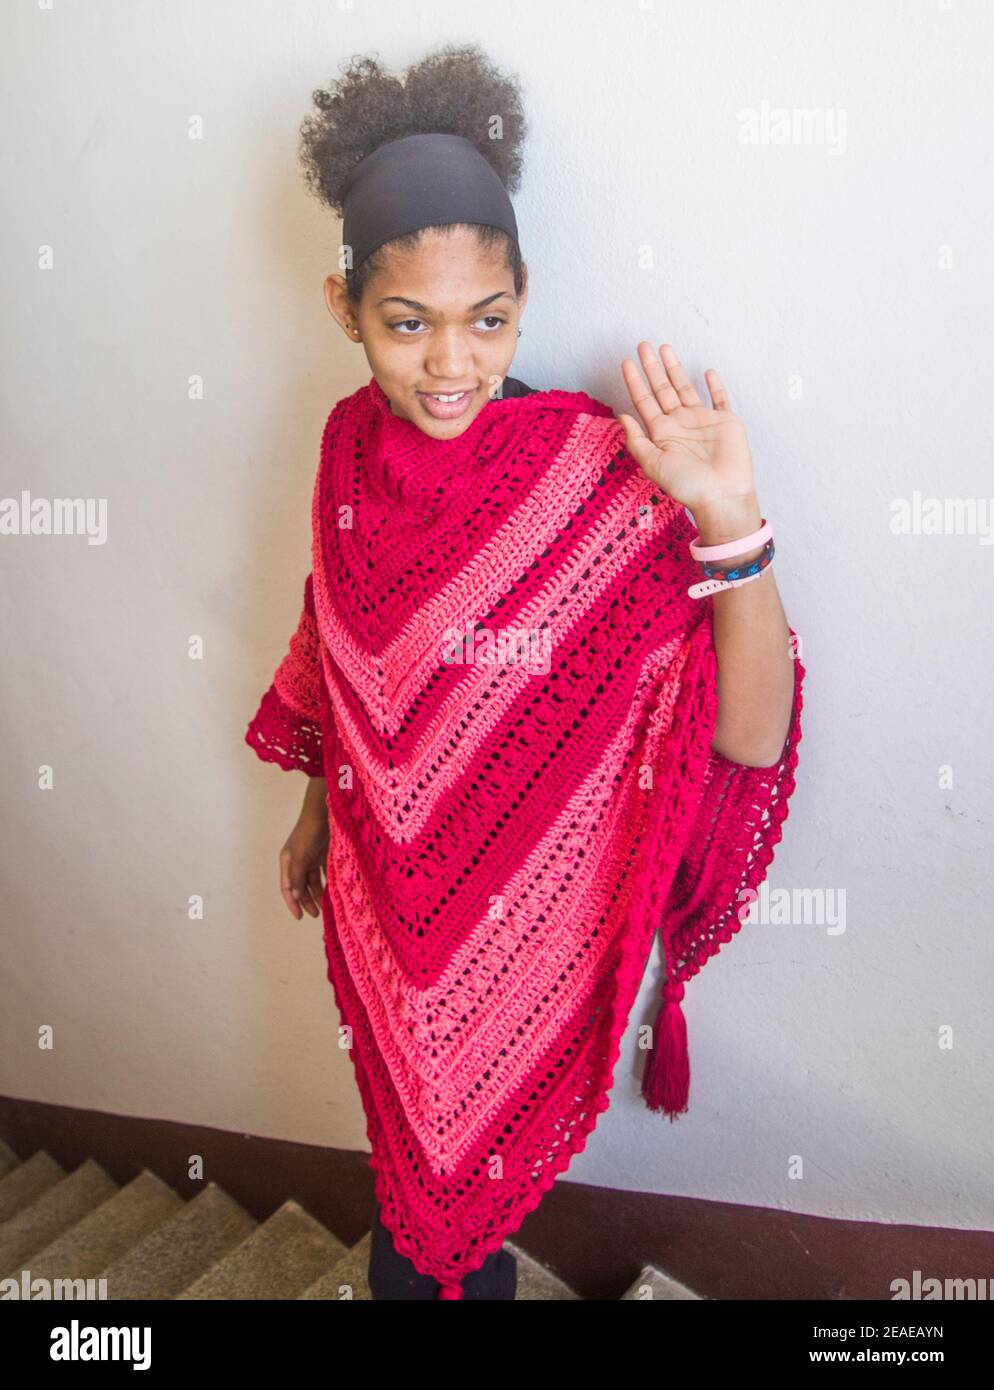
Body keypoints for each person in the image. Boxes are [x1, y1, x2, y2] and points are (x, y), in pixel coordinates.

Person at [246, 42, 806, 1301]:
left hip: (520, 926)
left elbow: (749, 735)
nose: (452, 364)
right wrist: (315, 803)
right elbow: (346, 644)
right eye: (408, 323)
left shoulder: (585, 482)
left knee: (449, 1212)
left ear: (524, 299)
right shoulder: (344, 450)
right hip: (382, 901)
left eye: (486, 319)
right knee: (402, 1155)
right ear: (346, 310)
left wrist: (729, 517)